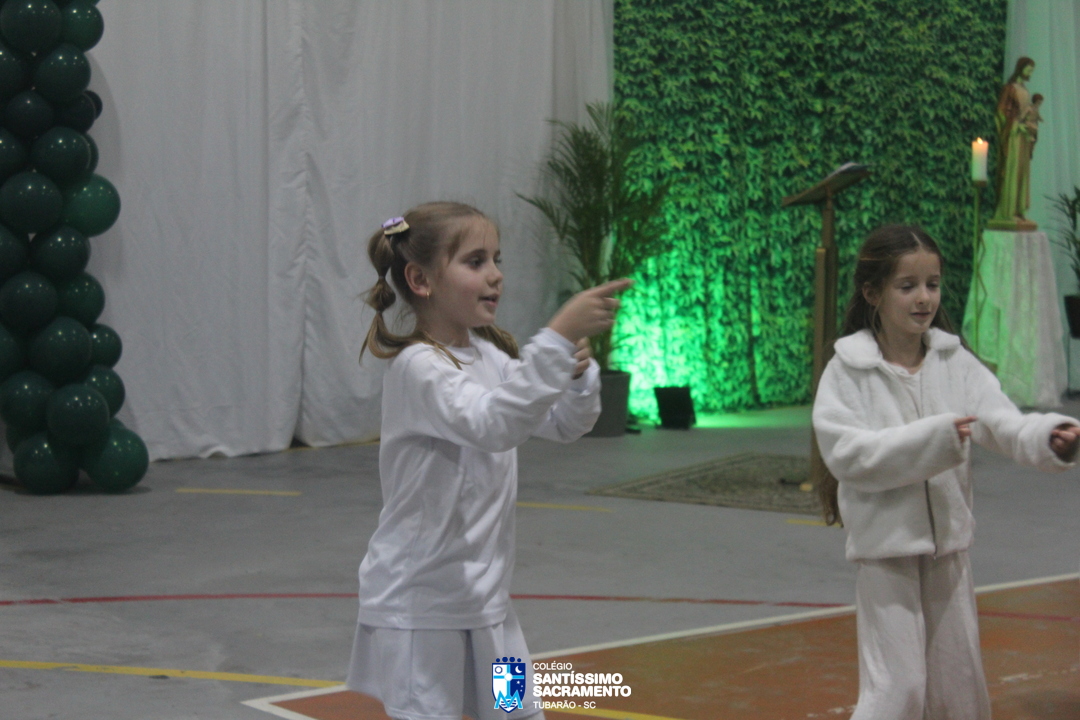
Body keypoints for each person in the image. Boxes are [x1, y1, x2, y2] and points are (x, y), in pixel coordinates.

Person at [347, 201, 628, 720]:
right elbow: (494, 424)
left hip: (490, 609)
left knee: (517, 712)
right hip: (421, 613)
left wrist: (575, 375)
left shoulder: (491, 356)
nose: (495, 274)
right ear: (420, 280)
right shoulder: (419, 368)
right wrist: (554, 339)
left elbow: (565, 424)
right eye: (475, 262)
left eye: (496, 259)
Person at [812, 224, 1079, 720]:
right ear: (872, 293)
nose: (924, 298)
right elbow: (849, 456)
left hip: (950, 553)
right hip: (886, 555)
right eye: (907, 286)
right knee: (899, 688)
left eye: (932, 284)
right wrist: (933, 439)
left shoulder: (955, 362)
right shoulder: (847, 371)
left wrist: (1048, 435)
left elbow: (1002, 422)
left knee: (959, 688)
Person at [991, 57, 1037, 227]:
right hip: (1014, 137)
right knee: (1013, 171)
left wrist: (1030, 125)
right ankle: (1008, 211)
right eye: (1028, 69)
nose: (1030, 73)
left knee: (1022, 173)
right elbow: (1001, 112)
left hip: (1023, 138)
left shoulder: (1024, 90)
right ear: (1020, 68)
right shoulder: (1009, 89)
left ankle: (1019, 210)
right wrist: (1016, 126)